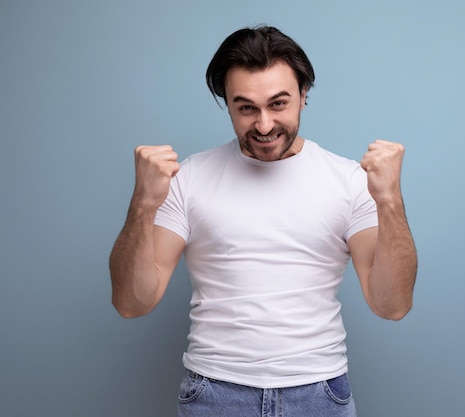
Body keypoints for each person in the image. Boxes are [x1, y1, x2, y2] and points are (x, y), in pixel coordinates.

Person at [109, 25, 417, 417]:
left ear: (304, 97)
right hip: (214, 394)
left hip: (319, 394)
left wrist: (389, 200)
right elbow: (131, 303)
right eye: (246, 108)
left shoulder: (349, 181)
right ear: (228, 105)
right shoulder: (189, 178)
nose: (265, 125)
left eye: (278, 104)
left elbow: (391, 305)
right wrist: (142, 204)